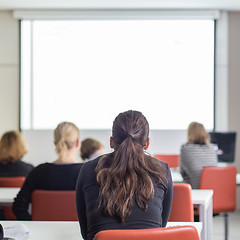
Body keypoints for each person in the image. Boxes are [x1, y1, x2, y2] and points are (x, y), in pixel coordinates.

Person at [76, 110, 173, 240]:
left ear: (111, 141)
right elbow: (161, 226)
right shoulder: (163, 170)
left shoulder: (88, 169)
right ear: (147, 143)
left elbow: (86, 233)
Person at [12, 122, 83, 220]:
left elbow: (18, 206)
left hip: (40, 234)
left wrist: (33, 227)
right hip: (77, 234)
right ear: (78, 143)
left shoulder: (38, 172)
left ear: (55, 142)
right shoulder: (87, 173)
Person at [180, 121, 218, 189]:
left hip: (195, 191)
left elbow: (182, 172)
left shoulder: (186, 148)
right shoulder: (212, 148)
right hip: (212, 191)